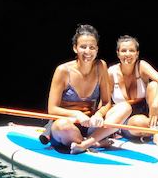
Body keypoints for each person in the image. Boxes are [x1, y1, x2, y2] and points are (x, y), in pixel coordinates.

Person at [45, 24, 131, 154]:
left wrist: (99, 114)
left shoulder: (101, 66)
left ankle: (86, 143)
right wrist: (77, 114)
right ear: (75, 48)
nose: (88, 52)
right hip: (68, 124)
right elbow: (52, 109)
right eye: (83, 47)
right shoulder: (63, 70)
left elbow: (107, 102)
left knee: (125, 107)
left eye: (92, 47)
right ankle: (95, 142)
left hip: (90, 123)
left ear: (97, 49)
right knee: (62, 126)